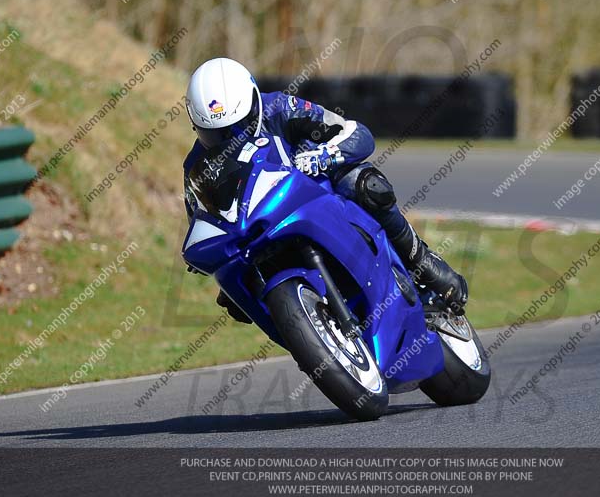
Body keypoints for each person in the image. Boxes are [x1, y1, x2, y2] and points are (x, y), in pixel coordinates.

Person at [183, 58, 467, 322]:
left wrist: (324, 156)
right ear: (196, 127)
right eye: (216, 134)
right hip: (260, 232)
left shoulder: (281, 108)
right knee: (234, 295)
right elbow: (201, 219)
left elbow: (357, 134)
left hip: (316, 199)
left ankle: (420, 259)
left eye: (239, 127)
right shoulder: (197, 166)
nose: (231, 139)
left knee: (364, 184)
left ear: (255, 103)